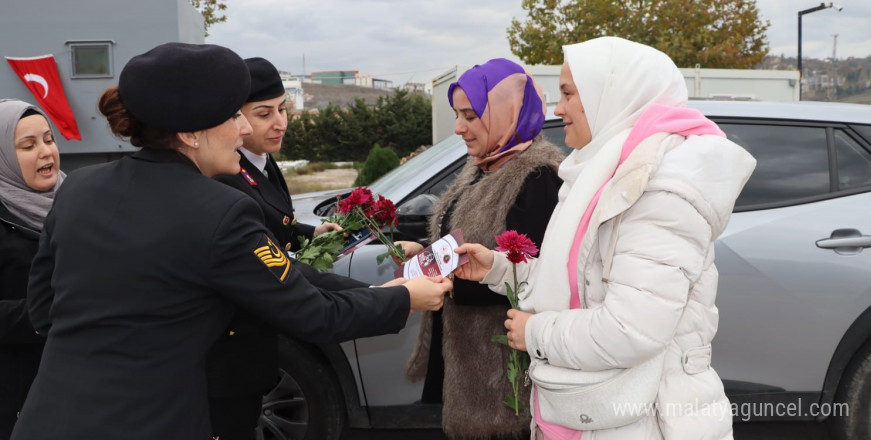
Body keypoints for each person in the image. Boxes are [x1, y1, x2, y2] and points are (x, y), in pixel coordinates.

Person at [11, 42, 450, 440]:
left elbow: (44, 311)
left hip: (48, 417)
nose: (242, 130)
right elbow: (314, 315)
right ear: (189, 133)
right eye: (232, 116)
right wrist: (405, 298)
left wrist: (380, 290)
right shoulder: (219, 210)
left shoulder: (80, 188)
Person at [454, 37, 756, 439]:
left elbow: (632, 330)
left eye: (567, 93)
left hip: (645, 421)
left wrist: (536, 333)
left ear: (609, 94)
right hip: (595, 415)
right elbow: (579, 280)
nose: (557, 109)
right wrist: (499, 269)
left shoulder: (659, 192)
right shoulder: (598, 175)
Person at [399, 58, 564, 439]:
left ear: (507, 112)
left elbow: (530, 276)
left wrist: (448, 282)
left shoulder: (537, 177)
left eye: (471, 116)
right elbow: (470, 239)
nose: (459, 128)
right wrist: (425, 254)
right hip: (468, 363)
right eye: (457, 115)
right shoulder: (485, 165)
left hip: (502, 376)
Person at [207, 57, 344, 439]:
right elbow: (258, 236)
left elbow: (274, 220)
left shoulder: (261, 161)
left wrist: (308, 233)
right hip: (234, 341)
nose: (279, 122)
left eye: (283, 109)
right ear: (236, 119)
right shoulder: (227, 173)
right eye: (264, 113)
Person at [0, 99, 63, 440]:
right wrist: (53, 313)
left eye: (49, 139)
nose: (45, 152)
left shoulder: (77, 200)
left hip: (78, 382)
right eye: (28, 145)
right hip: (16, 393)